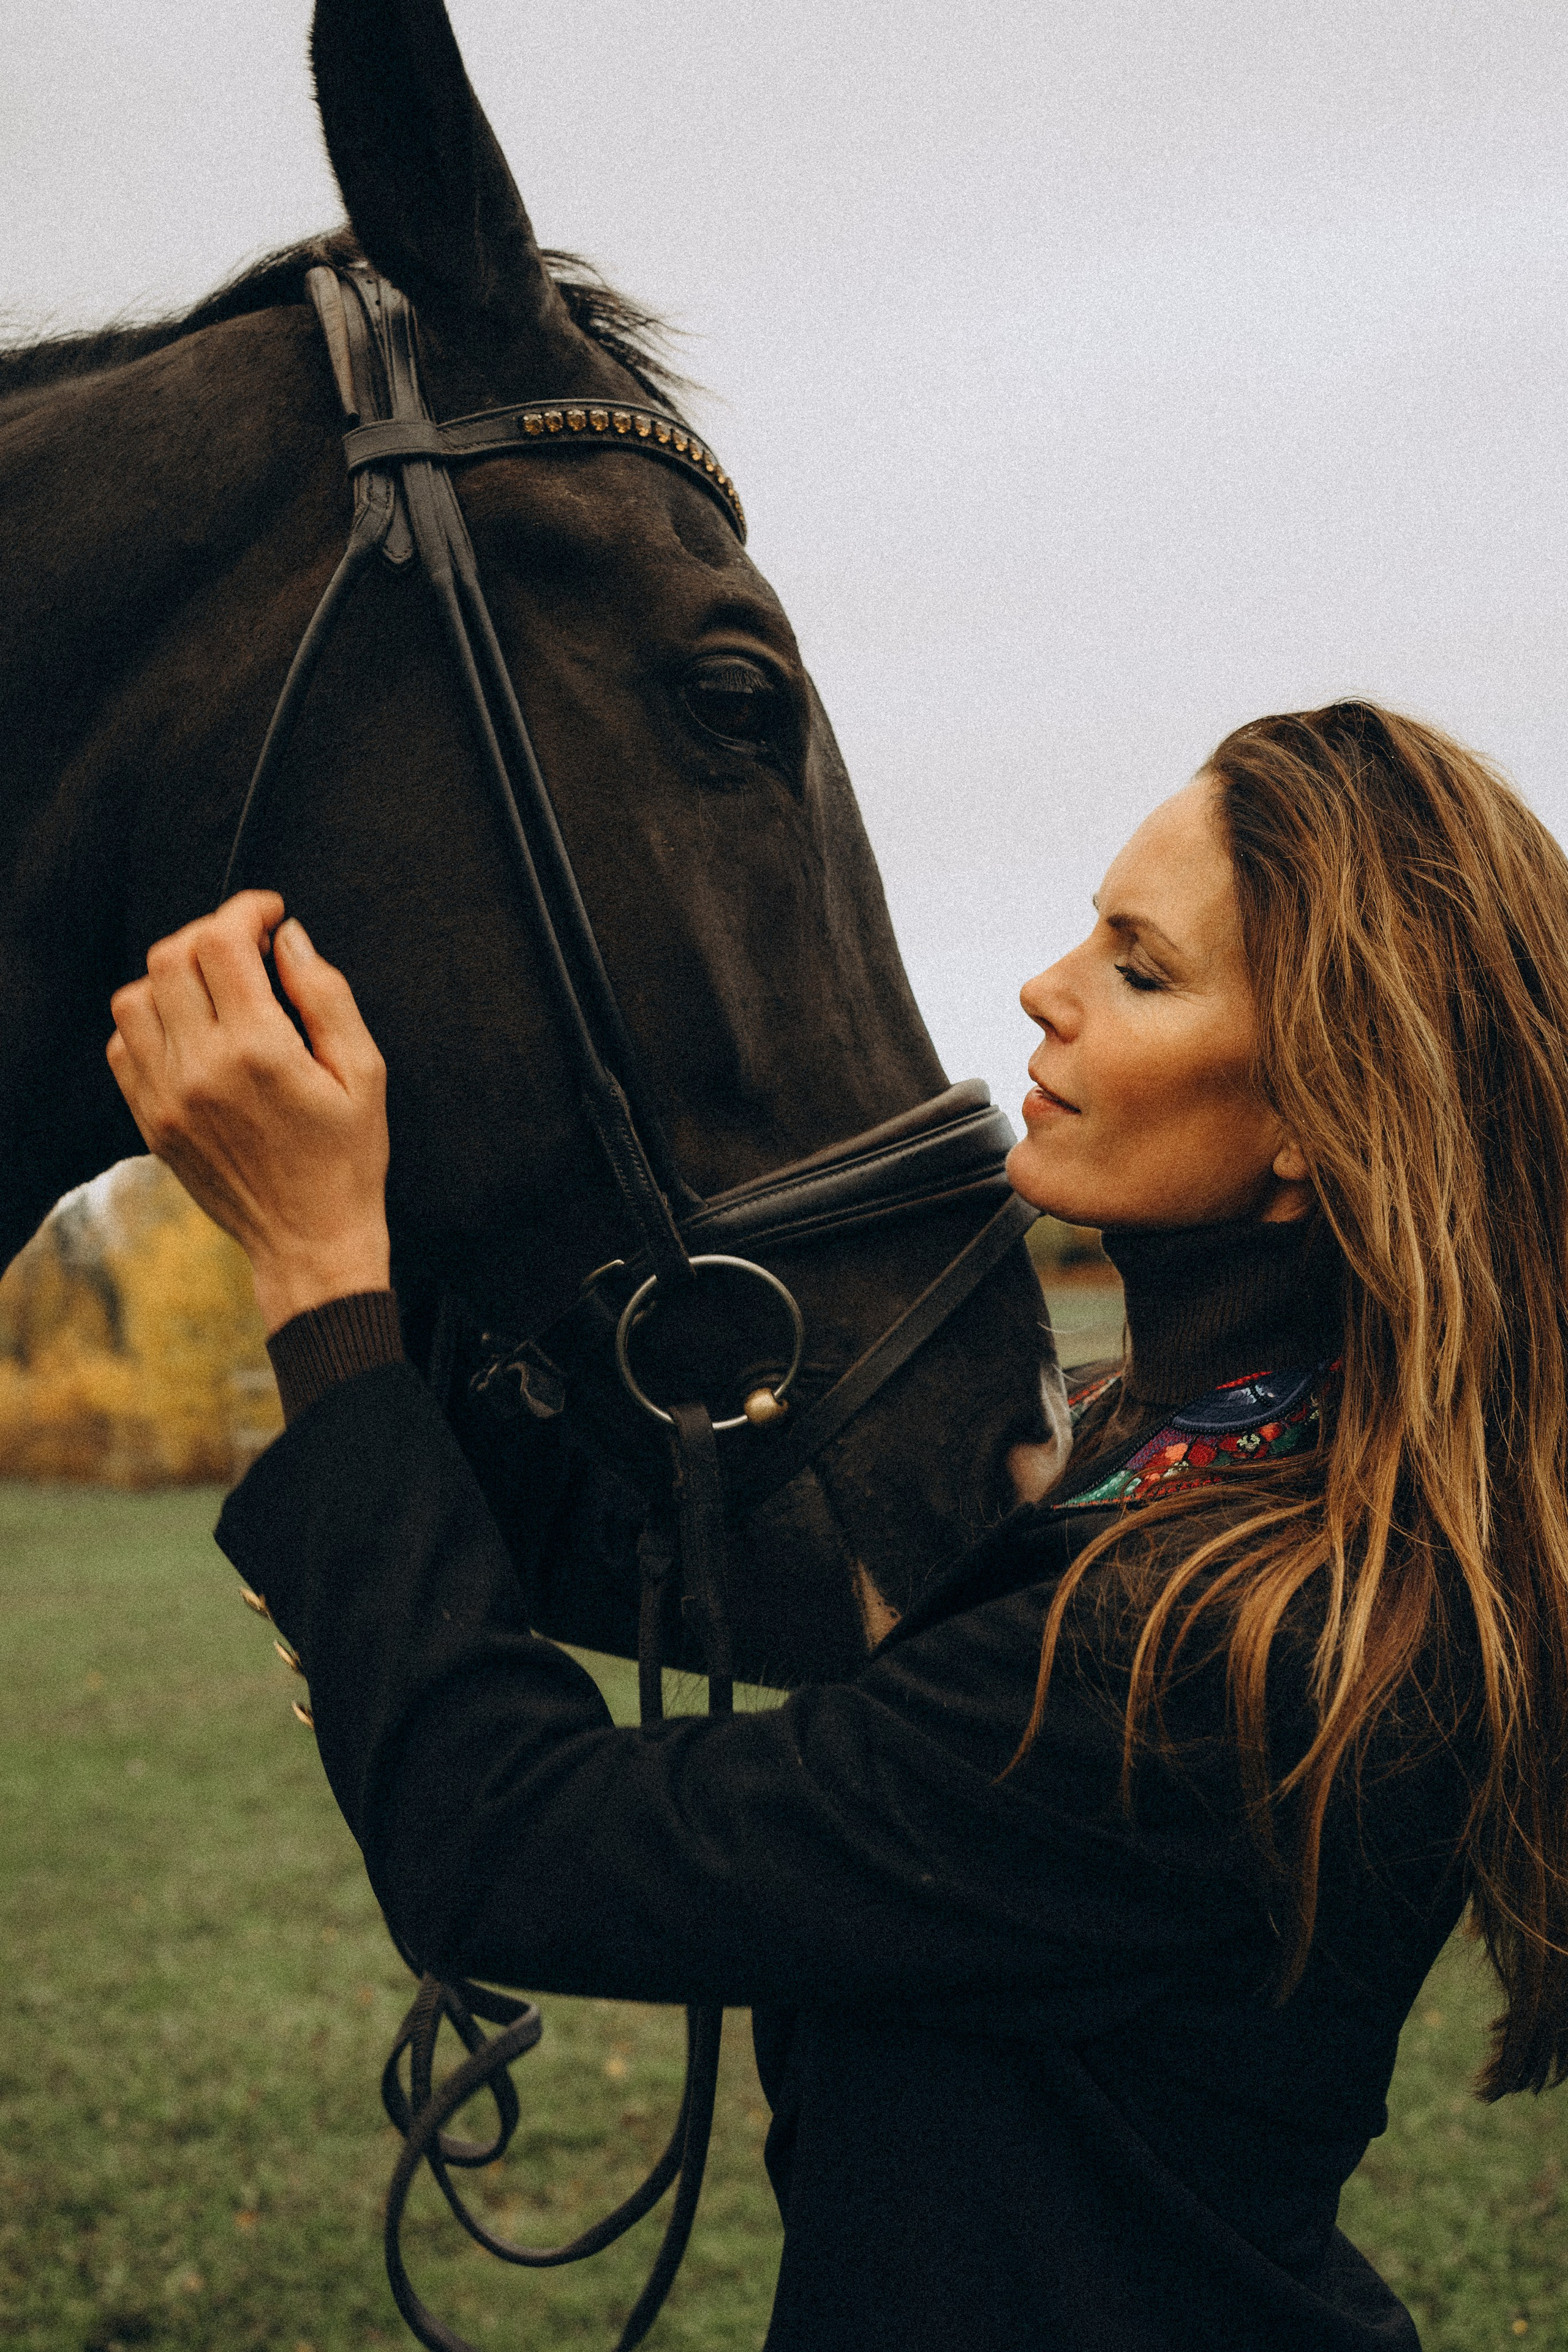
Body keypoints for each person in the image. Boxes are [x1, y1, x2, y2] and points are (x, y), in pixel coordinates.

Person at [106, 700, 1568, 2351]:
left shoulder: (1218, 1648)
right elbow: (639, 1563)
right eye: (1092, 926)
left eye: (1141, 968)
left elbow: (510, 1845)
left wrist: (316, 1272)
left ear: (1321, 1113)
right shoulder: (1144, 1454)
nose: (1047, 986)